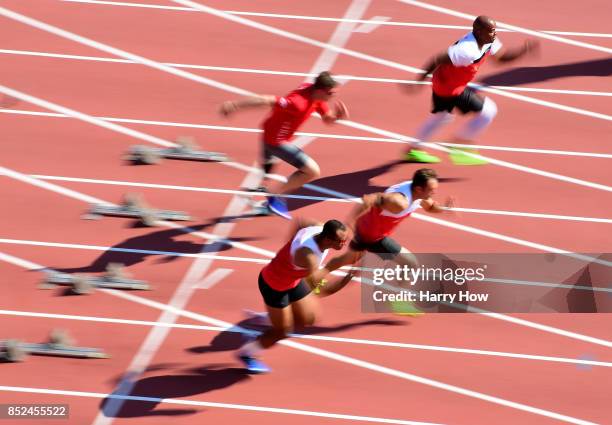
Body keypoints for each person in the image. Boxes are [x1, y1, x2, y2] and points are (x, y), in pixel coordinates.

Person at [401, 15, 538, 165]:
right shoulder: (466, 50)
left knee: (442, 117)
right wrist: (418, 81)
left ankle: (413, 150)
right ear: (479, 32)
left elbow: (501, 58)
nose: (495, 33)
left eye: (494, 30)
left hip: (453, 84)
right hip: (447, 87)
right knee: (488, 111)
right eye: (491, 31)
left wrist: (522, 51)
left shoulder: (488, 41)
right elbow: (436, 59)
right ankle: (458, 145)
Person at [312, 168, 453, 314]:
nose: (434, 193)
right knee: (409, 263)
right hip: (368, 235)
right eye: (431, 190)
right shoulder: (399, 201)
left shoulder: (419, 195)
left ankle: (315, 277)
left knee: (347, 260)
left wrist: (444, 208)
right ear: (418, 188)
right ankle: (310, 282)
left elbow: (430, 206)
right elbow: (369, 199)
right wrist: (349, 223)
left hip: (375, 234)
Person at [220, 72, 349, 219]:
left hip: (270, 131)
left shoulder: (316, 97)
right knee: (312, 171)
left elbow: (327, 119)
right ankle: (275, 197)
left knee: (267, 169)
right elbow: (266, 100)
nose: (333, 95)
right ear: (320, 90)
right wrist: (234, 105)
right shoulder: (297, 102)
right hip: (275, 141)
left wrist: (337, 117)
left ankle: (264, 188)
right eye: (331, 93)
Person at [237, 218, 355, 373]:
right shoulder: (308, 257)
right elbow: (321, 290)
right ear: (327, 239)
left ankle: (269, 318)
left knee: (308, 318)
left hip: (294, 279)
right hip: (274, 285)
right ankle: (247, 353)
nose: (344, 244)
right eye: (341, 241)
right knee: (283, 331)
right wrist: (346, 278)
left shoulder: (318, 228)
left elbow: (301, 222)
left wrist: (289, 249)